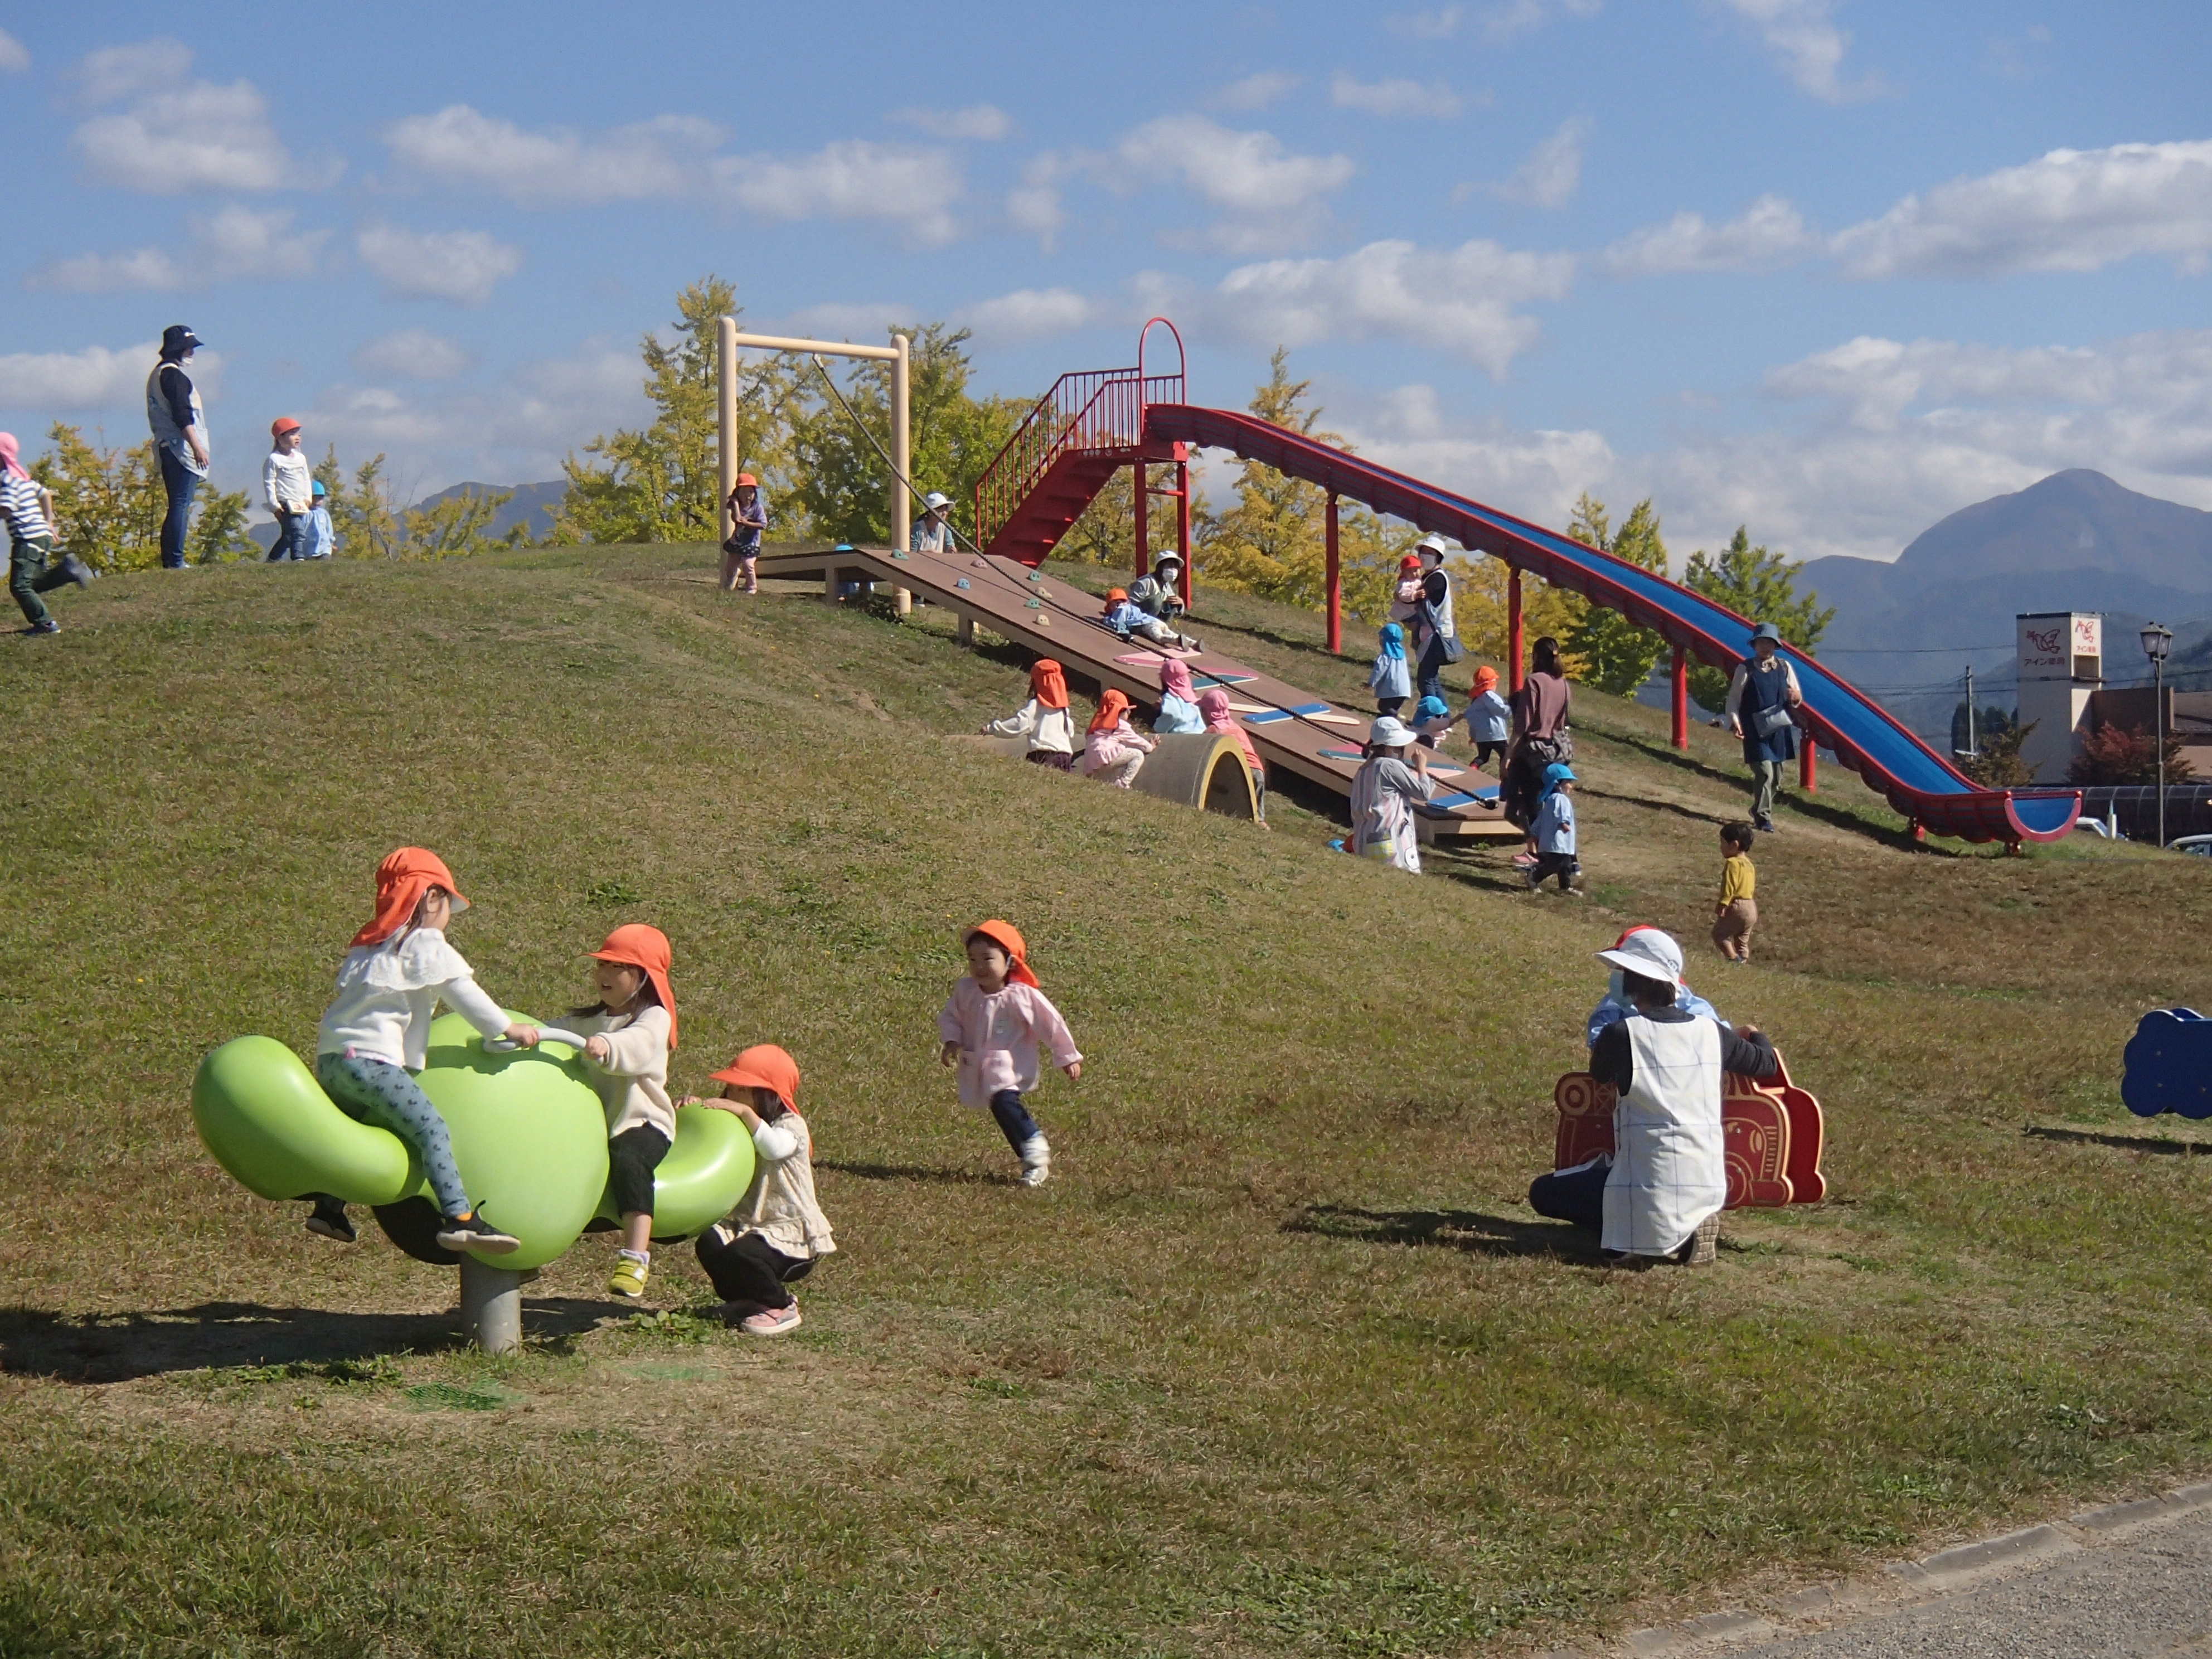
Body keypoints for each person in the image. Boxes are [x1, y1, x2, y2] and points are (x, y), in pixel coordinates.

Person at [308, 848, 539, 1252]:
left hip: (332, 1061)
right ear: (431, 898)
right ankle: (459, 1217)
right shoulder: (425, 942)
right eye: (447, 902)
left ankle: (328, 1208)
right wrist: (507, 1027)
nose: (448, 914)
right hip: (373, 1063)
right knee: (431, 1129)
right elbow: (460, 990)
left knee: (357, 1128)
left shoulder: (371, 945)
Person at [1527, 928, 1779, 1264]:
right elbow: (1766, 1063)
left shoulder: (1621, 1034)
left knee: (1544, 1193)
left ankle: (1649, 1234)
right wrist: (1755, 1033)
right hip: (1707, 1185)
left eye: (1622, 972)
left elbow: (1600, 1074)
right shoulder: (1713, 1033)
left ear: (1635, 979)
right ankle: (1688, 1226)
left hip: (1644, 1182)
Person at [567, 924, 678, 1301]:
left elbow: (640, 1045)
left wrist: (607, 1047)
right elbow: (552, 1032)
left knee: (629, 1158)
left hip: (642, 1122)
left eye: (617, 967)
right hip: (593, 1128)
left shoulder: (654, 1019)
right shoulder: (587, 1022)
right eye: (602, 966)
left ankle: (635, 1257)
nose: (604, 974)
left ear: (644, 977)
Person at [691, 1043, 834, 1335]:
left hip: (789, 1232)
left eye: (741, 1090)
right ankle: (749, 1301)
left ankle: (781, 1306)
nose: (731, 1095)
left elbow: (773, 1148)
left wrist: (745, 1114)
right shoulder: (739, 1123)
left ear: (768, 1094)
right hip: (749, 1223)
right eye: (730, 1089)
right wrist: (694, 1110)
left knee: (746, 1254)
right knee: (710, 1243)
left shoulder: (792, 1126)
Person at [937, 920, 1081, 1188]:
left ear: (1010, 962)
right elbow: (951, 1016)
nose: (979, 966)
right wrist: (952, 1040)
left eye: (988, 959)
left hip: (1010, 1065)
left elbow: (1051, 1024)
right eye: (972, 959)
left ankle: (1035, 1144)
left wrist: (1067, 1056)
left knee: (1004, 1101)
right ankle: (1031, 1160)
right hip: (980, 1064)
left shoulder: (1021, 996)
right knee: (1000, 1107)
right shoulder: (966, 991)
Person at [1, 434, 91, 636]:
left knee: (20, 586)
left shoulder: (6, 479)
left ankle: (46, 624)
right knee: (32, 583)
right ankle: (67, 571)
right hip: (40, 535)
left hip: (27, 538)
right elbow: (45, 493)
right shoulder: (22, 478)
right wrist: (49, 522)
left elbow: (6, 509)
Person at [1587, 924, 1722, 1047]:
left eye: (1621, 968)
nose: (1616, 973)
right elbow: (1598, 1040)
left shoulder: (1695, 1010)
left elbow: (1720, 1040)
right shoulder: (1615, 1003)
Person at [1726, 622, 1804, 833]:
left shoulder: (1785, 667)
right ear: (1755, 644)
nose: (1765, 647)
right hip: (1754, 730)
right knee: (1765, 773)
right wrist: (1735, 721)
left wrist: (1795, 698)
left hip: (1778, 729)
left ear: (1775, 645)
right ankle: (1763, 818)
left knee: (1777, 777)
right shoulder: (1746, 669)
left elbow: (1796, 696)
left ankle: (1757, 809)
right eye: (1761, 642)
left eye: (1769, 643)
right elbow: (1734, 699)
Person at [147, 324, 208, 570]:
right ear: (179, 349)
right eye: (189, 348)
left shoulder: (157, 375)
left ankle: (171, 558)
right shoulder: (174, 377)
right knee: (181, 504)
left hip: (165, 446)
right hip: (180, 448)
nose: (192, 353)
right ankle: (175, 559)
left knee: (176, 503)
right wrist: (197, 448)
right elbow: (183, 416)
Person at [1350, 715, 1434, 872]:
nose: (1401, 751)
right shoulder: (1390, 765)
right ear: (1387, 747)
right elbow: (1424, 793)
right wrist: (1422, 768)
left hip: (1364, 840)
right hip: (1392, 841)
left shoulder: (1364, 769)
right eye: (1398, 747)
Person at [1504, 636, 1573, 828]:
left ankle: (1538, 848)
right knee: (1547, 798)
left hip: (1532, 751)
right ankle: (1554, 844)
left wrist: (1509, 754)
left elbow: (1523, 723)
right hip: (1555, 751)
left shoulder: (1534, 682)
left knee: (1526, 803)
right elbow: (1562, 721)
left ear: (1536, 657)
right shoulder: (1564, 685)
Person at [987, 658, 1078, 770]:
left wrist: (992, 728)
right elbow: (1071, 732)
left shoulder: (1036, 705)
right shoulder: (1063, 710)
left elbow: (1020, 725)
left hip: (1044, 755)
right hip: (1065, 757)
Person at [1199, 686, 1267, 823]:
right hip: (1258, 771)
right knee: (1257, 818)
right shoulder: (1236, 727)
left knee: (1235, 814)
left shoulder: (1213, 730)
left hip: (1240, 772)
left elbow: (1201, 756)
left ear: (1207, 712)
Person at [1410, 535, 1460, 706]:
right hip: (1433, 635)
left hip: (1436, 636)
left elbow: (1421, 600)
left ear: (1438, 556)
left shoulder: (1437, 579)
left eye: (1429, 552)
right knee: (1433, 679)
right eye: (1422, 551)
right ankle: (1443, 717)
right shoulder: (1428, 577)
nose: (1424, 555)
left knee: (1426, 679)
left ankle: (1432, 717)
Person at [1080, 688, 1155, 788]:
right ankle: (1123, 783)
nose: (1129, 714)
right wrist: (1151, 746)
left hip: (1091, 761)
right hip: (1105, 756)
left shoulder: (1096, 723)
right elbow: (1138, 741)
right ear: (1119, 710)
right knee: (1138, 755)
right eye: (1127, 710)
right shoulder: (1120, 725)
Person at [263, 419, 313, 562]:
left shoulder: (301, 458)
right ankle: (298, 558)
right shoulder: (274, 459)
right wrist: (274, 505)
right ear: (280, 437)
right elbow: (269, 482)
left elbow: (305, 479)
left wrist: (308, 498)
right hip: (285, 503)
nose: (297, 437)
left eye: (299, 434)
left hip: (300, 503)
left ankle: (273, 559)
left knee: (289, 535)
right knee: (297, 531)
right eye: (292, 434)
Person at [1129, 552, 1201, 652]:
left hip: (1157, 622)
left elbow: (1177, 611)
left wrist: (1181, 604)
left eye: (1175, 567)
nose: (1173, 570)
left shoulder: (1166, 586)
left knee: (1172, 603)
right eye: (1169, 566)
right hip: (1139, 622)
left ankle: (1193, 643)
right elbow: (1130, 605)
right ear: (1161, 567)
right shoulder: (1146, 582)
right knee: (1156, 600)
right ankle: (1176, 641)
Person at [1526, 763, 1580, 894]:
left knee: (1565, 865)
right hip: (1557, 840)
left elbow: (1542, 819)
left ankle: (1565, 887)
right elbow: (1560, 813)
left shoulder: (1550, 799)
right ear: (1558, 783)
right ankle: (1534, 878)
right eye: (1568, 782)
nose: (1571, 786)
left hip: (1561, 842)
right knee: (1554, 864)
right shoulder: (1559, 798)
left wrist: (1535, 831)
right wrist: (1563, 823)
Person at [1713, 821, 1759, 964]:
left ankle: (1733, 959)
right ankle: (1743, 962)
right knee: (1742, 940)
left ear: (1734, 845)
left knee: (1719, 935)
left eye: (1723, 843)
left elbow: (1730, 885)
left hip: (1737, 905)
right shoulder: (1749, 864)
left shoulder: (1732, 863)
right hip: (1751, 907)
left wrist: (1723, 903)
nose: (1721, 848)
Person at [721, 473, 767, 594]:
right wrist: (735, 503)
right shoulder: (738, 507)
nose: (748, 496)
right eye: (744, 492)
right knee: (730, 567)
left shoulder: (758, 508)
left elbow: (763, 524)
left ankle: (752, 587)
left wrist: (748, 524)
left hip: (751, 543)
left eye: (751, 492)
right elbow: (736, 519)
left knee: (748, 565)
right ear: (738, 493)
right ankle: (732, 579)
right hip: (737, 541)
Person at [1462, 664, 1511, 777]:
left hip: (1482, 737)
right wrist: (1512, 708)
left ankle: (1473, 767)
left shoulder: (1477, 701)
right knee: (1506, 755)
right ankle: (1505, 775)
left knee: (1483, 757)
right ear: (1493, 684)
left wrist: (1473, 736)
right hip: (1496, 734)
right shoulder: (1489, 695)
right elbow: (1500, 709)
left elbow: (1472, 719)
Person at [1369, 622, 1411, 716]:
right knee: (1393, 708)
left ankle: (1398, 718)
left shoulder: (1386, 656)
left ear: (1384, 639)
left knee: (1384, 707)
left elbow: (1379, 670)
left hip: (1392, 688)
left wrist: (1371, 683)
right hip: (1404, 689)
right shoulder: (1402, 656)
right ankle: (1395, 717)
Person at [1154, 657, 1206, 735]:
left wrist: (1159, 728)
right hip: (1199, 734)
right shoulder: (1190, 694)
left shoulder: (1171, 697)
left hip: (1181, 737)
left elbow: (1172, 715)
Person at [299, 479, 336, 560]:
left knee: (325, 565)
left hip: (325, 548)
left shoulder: (324, 513)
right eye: (314, 498)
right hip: (309, 548)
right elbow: (302, 530)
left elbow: (329, 529)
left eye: (320, 499)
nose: (317, 502)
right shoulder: (305, 514)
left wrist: (331, 542)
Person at [911, 490, 957, 554]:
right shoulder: (918, 528)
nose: (944, 513)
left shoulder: (945, 528)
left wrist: (951, 551)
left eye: (946, 509)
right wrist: (927, 553)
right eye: (940, 509)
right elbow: (912, 554)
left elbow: (949, 547)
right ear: (930, 512)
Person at [1388, 554, 1424, 629]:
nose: (1414, 574)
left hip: (1412, 610)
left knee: (1421, 626)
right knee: (1417, 627)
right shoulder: (1404, 583)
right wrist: (1415, 595)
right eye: (1409, 572)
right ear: (1404, 573)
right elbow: (1403, 595)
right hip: (1405, 612)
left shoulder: (1419, 579)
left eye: (1416, 570)